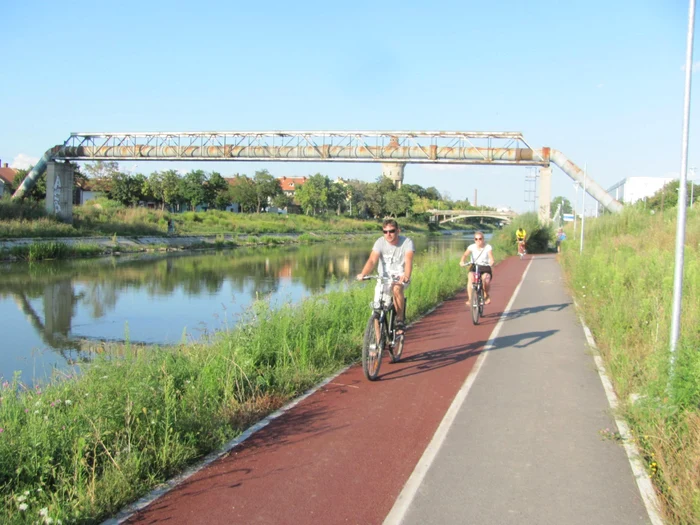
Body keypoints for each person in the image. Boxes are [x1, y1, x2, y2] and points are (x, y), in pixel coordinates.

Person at [356, 219, 414, 334]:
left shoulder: (407, 242)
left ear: (398, 231)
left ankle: (399, 320)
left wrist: (406, 275)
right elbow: (372, 260)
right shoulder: (380, 242)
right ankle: (376, 344)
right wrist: (363, 274)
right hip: (383, 279)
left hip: (400, 277)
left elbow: (408, 261)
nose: (388, 234)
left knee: (396, 288)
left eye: (391, 231)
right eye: (385, 232)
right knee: (376, 311)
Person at [460, 231, 495, 305]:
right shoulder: (471, 247)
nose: (478, 241)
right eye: (476, 239)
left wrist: (491, 261)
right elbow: (465, 255)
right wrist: (462, 261)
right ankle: (470, 299)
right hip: (474, 266)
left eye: (480, 239)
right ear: (474, 240)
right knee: (470, 277)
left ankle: (486, 294)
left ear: (483, 239)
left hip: (485, 266)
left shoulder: (488, 247)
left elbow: (491, 257)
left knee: (486, 279)